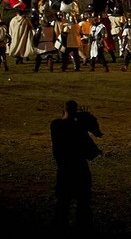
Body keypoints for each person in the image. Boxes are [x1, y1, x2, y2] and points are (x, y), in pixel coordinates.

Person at [51, 100, 102, 235]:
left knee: (62, 204)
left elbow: (64, 124)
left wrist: (77, 120)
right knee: (83, 204)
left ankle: (60, 230)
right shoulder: (79, 129)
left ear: (64, 111)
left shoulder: (56, 126)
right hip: (80, 170)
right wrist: (83, 123)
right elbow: (91, 152)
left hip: (64, 171)